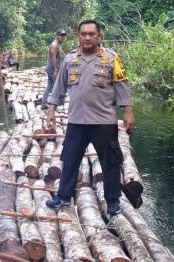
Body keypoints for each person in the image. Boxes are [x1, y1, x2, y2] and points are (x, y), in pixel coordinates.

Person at [45, 20, 135, 216]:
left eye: (91, 34)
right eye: (83, 34)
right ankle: (63, 197)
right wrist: (51, 109)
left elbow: (122, 86)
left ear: (99, 36)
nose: (87, 37)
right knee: (69, 159)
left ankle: (112, 201)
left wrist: (128, 112)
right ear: (78, 36)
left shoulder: (111, 58)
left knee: (110, 162)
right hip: (77, 120)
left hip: (104, 121)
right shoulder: (70, 59)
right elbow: (59, 86)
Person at [41, 29, 67, 110]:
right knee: (58, 87)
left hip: (51, 69)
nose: (63, 37)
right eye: (61, 35)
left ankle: (44, 104)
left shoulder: (58, 44)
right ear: (57, 36)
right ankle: (54, 105)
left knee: (50, 86)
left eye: (64, 36)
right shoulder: (54, 45)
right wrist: (56, 70)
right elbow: (53, 58)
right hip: (52, 70)